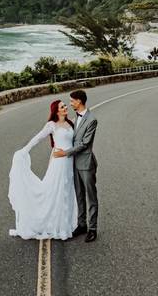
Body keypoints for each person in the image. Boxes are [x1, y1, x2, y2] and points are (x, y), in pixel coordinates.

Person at [7, 99, 77, 239]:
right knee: (57, 192)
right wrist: (25, 150)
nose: (65, 107)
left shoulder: (71, 123)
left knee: (67, 192)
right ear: (56, 111)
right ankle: (56, 226)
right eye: (62, 106)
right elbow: (38, 138)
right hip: (59, 163)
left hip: (70, 162)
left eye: (65, 105)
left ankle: (66, 224)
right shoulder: (52, 125)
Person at [53, 89, 98, 242]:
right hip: (74, 164)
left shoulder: (92, 119)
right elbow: (71, 139)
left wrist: (65, 153)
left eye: (72, 101)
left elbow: (84, 144)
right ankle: (81, 224)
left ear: (79, 101)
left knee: (91, 197)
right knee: (79, 196)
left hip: (86, 163)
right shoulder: (74, 118)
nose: (70, 103)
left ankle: (92, 228)